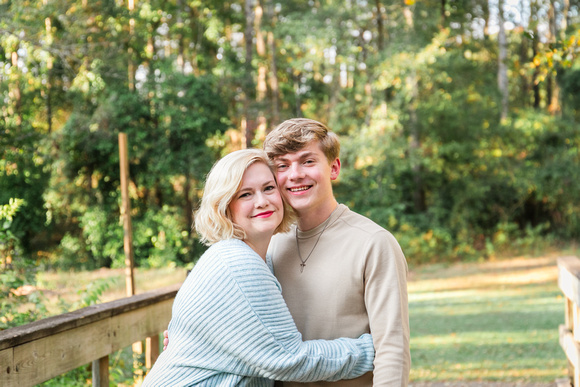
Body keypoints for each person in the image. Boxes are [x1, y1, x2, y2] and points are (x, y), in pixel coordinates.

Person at [143, 149, 375, 386]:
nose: (262, 201)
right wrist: (373, 348)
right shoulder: (238, 264)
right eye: (245, 194)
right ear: (224, 206)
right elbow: (288, 360)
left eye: (268, 188)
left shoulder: (251, 257)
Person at [263, 118, 410, 387]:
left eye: (308, 161)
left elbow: (392, 348)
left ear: (334, 168)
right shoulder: (270, 243)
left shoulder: (374, 243)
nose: (295, 174)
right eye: (283, 166)